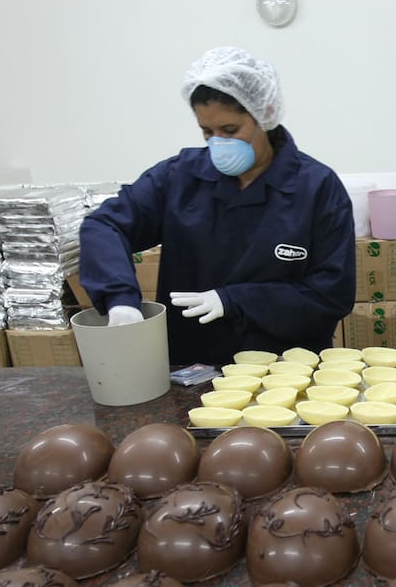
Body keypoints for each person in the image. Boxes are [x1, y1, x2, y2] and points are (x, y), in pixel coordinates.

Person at [79, 46, 356, 367]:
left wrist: (235, 300)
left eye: (230, 130)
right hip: (190, 365)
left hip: (285, 367)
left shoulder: (316, 188)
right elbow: (104, 225)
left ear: (264, 115)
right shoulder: (179, 178)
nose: (219, 143)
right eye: (207, 132)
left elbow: (330, 295)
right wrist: (120, 300)